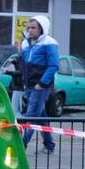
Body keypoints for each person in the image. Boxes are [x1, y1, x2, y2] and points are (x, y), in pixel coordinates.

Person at [19, 15, 59, 153]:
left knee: (31, 117)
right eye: (28, 27)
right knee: (40, 117)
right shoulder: (25, 43)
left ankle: (20, 147)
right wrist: (24, 83)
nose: (30, 30)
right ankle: (49, 145)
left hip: (40, 86)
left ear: (42, 28)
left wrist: (41, 84)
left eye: (33, 28)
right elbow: (23, 65)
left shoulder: (50, 43)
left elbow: (53, 66)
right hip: (30, 85)